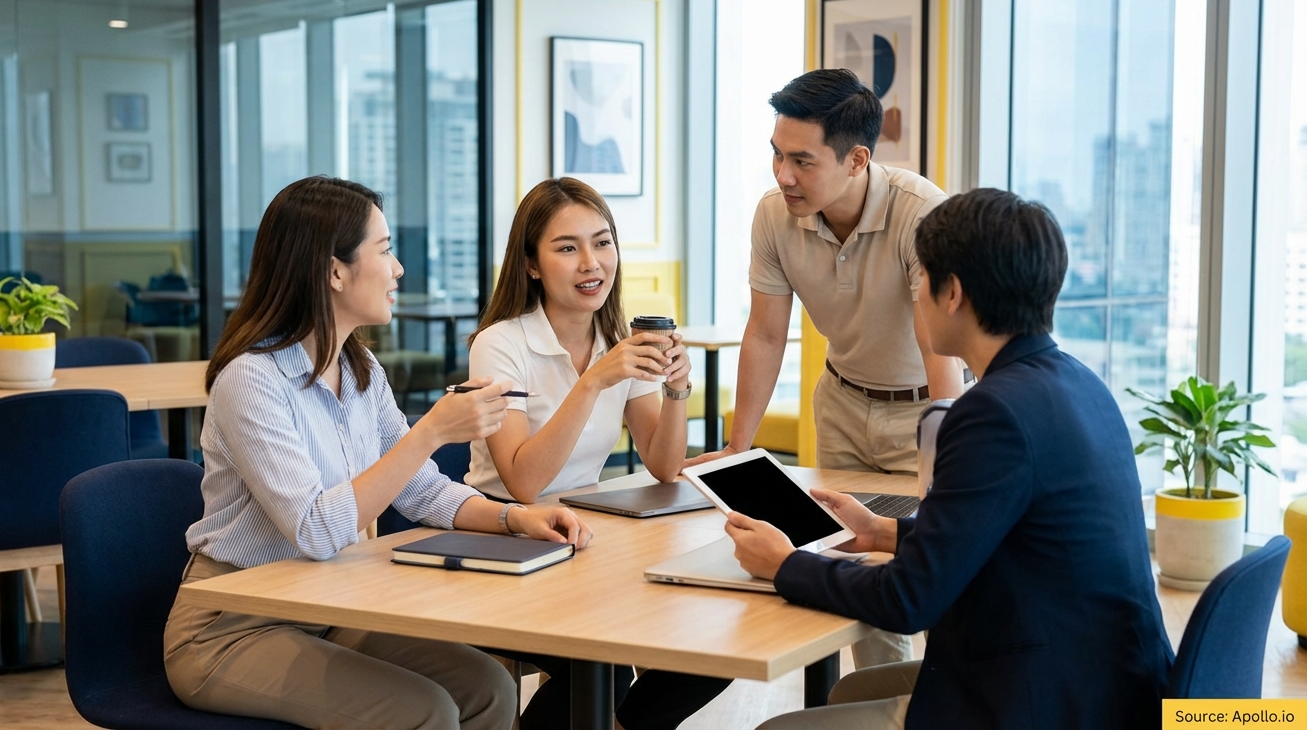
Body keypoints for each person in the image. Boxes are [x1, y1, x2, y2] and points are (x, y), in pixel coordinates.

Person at [725, 188, 1172, 730]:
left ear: (952, 292)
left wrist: (784, 564)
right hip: (1110, 679)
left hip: (1045, 700)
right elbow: (1006, 535)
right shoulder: (1077, 382)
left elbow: (909, 600)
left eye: (921, 285)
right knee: (848, 690)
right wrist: (880, 533)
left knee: (779, 729)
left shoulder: (992, 415)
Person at [163, 175, 592, 730]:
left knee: (487, 687)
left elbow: (421, 489)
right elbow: (316, 530)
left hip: (327, 608)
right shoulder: (252, 380)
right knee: (426, 711)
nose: (398, 270)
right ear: (334, 270)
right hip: (231, 626)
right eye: (385, 251)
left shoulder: (360, 371)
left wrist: (516, 519)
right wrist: (431, 432)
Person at [691, 67, 967, 668]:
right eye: (776, 155)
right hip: (841, 402)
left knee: (934, 562)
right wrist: (740, 450)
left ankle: (947, 698)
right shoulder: (774, 215)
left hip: (922, 408)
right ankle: (881, 697)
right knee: (841, 552)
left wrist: (946, 460)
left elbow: (937, 348)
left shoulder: (920, 213)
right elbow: (765, 335)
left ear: (857, 159)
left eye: (803, 161)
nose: (783, 175)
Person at [466, 177, 729, 730]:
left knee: (714, 636)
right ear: (532, 264)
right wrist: (589, 383)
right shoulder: (500, 343)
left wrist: (678, 388)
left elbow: (661, 463)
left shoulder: (614, 341)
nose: (592, 263)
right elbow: (523, 482)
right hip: (505, 537)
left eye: (602, 242)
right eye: (568, 248)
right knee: (605, 666)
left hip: (583, 539)